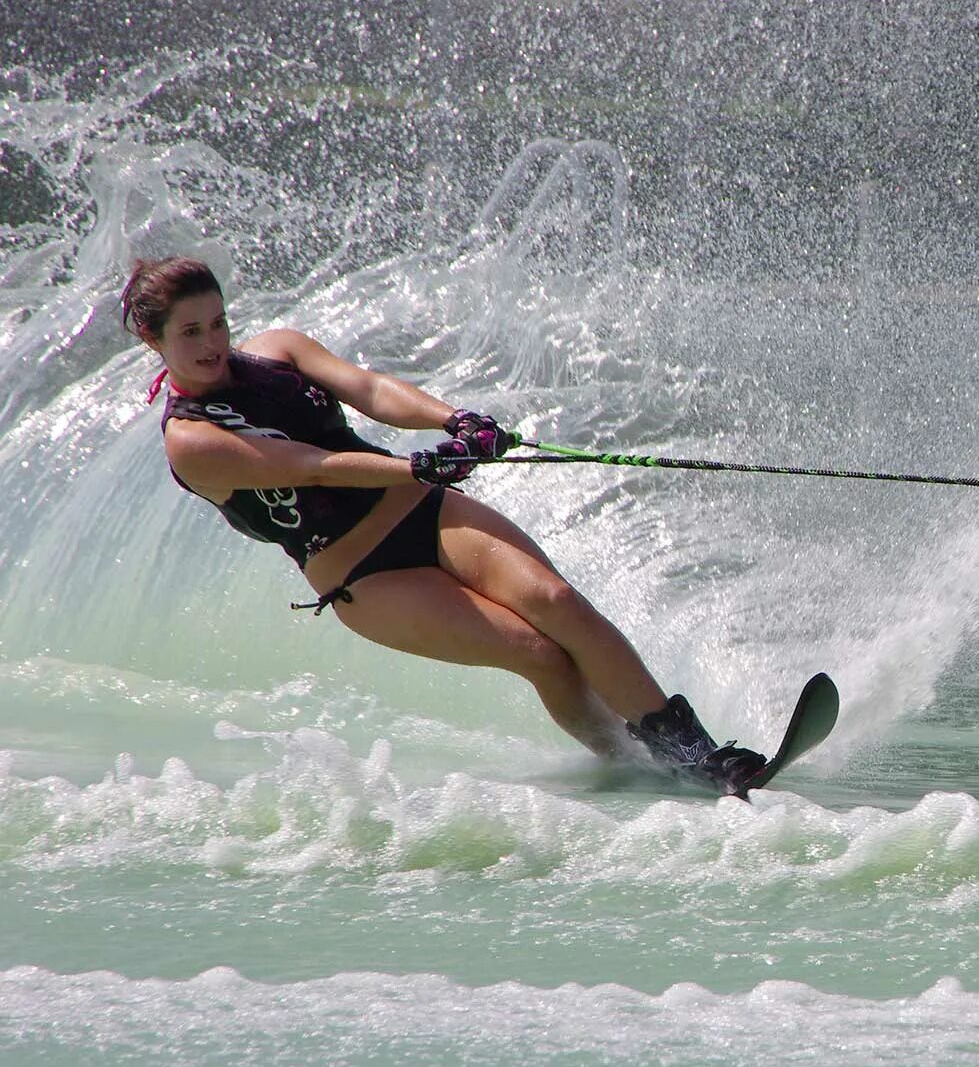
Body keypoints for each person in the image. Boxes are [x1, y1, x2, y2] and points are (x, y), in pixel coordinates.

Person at [122, 256, 765, 789]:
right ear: (155, 341)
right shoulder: (191, 440)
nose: (212, 344)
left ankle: (696, 756)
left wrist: (454, 422)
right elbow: (312, 466)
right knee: (538, 654)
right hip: (361, 575)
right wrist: (418, 469)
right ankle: (631, 767)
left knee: (556, 601)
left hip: (420, 511)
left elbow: (368, 388)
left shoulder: (279, 350)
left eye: (218, 323)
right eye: (190, 333)